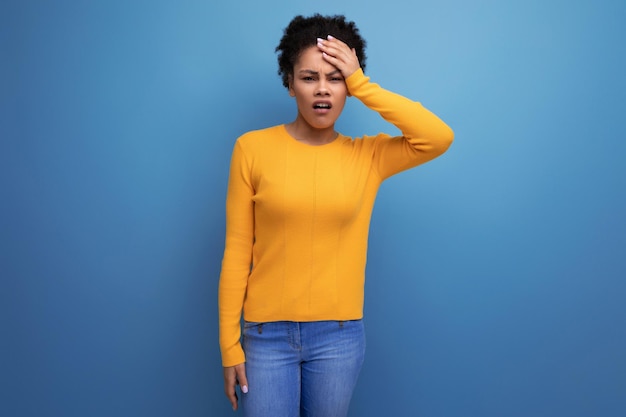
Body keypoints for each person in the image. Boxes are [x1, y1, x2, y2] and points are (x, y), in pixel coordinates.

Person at [218, 14, 453, 417]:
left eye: (335, 77)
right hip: (265, 336)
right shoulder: (251, 149)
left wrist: (362, 82)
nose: (322, 90)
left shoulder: (369, 156)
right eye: (309, 77)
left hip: (338, 338)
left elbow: (438, 136)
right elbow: (238, 250)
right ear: (290, 84)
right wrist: (228, 345)